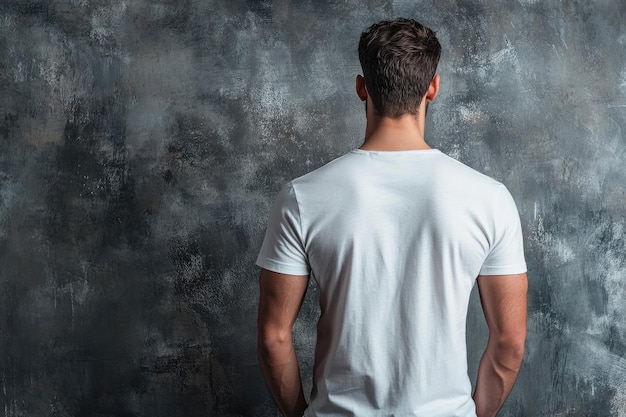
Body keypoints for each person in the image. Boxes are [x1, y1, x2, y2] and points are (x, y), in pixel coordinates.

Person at [256, 17, 528, 417]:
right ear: (432, 88)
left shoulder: (302, 197)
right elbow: (509, 343)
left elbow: (273, 338)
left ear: (361, 88)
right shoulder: (489, 198)